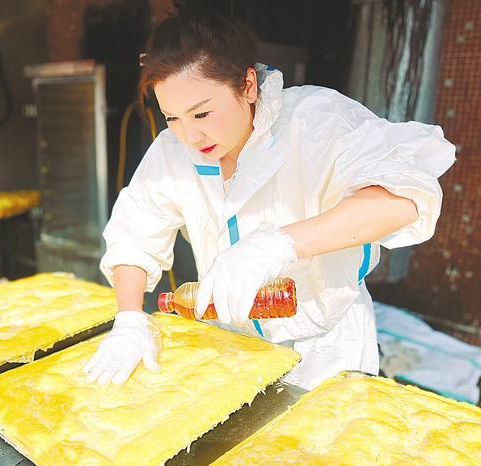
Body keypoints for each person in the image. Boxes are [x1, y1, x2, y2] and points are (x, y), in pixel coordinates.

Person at [82, 4, 455, 390]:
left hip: (324, 351)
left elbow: (403, 197)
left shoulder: (317, 121)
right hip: (231, 345)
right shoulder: (172, 152)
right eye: (172, 117)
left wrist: (280, 245)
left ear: (247, 86)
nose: (190, 136)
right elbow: (135, 233)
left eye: (202, 114)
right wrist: (129, 318)